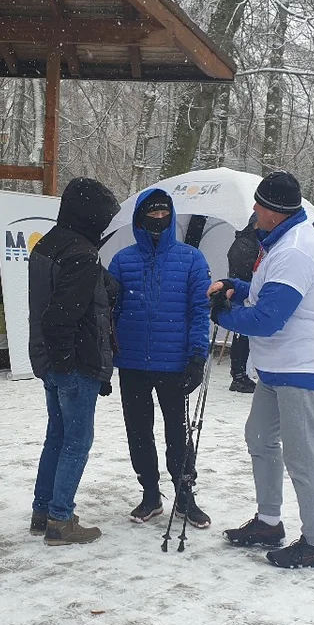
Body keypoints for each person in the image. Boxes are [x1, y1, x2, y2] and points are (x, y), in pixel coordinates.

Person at [210, 171, 314, 569]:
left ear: (275, 211)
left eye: (259, 205)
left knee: (302, 459)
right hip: (277, 366)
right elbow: (267, 291)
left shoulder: (296, 250)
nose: (254, 210)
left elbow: (268, 318)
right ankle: (269, 522)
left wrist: (224, 314)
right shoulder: (281, 239)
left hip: (304, 368)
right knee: (260, 438)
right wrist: (237, 285)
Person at [108, 189, 212, 528]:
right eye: (151, 214)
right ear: (140, 218)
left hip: (175, 364)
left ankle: (185, 496)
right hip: (133, 363)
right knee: (138, 431)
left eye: (163, 213)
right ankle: (150, 494)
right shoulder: (122, 260)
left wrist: (197, 356)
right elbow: (111, 313)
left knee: (178, 434)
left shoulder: (192, 259)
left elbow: (200, 311)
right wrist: (106, 357)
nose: (157, 219)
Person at [28, 178, 121, 546]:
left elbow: (52, 304)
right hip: (74, 363)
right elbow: (61, 316)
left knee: (57, 436)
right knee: (76, 441)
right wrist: (68, 364)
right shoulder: (81, 253)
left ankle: (43, 509)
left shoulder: (49, 244)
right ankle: (60, 520)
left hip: (48, 360)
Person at [227, 215, 260, 393]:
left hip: (245, 293)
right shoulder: (245, 243)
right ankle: (238, 375)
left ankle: (241, 374)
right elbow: (243, 270)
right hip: (242, 294)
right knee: (241, 337)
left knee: (244, 337)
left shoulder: (252, 242)